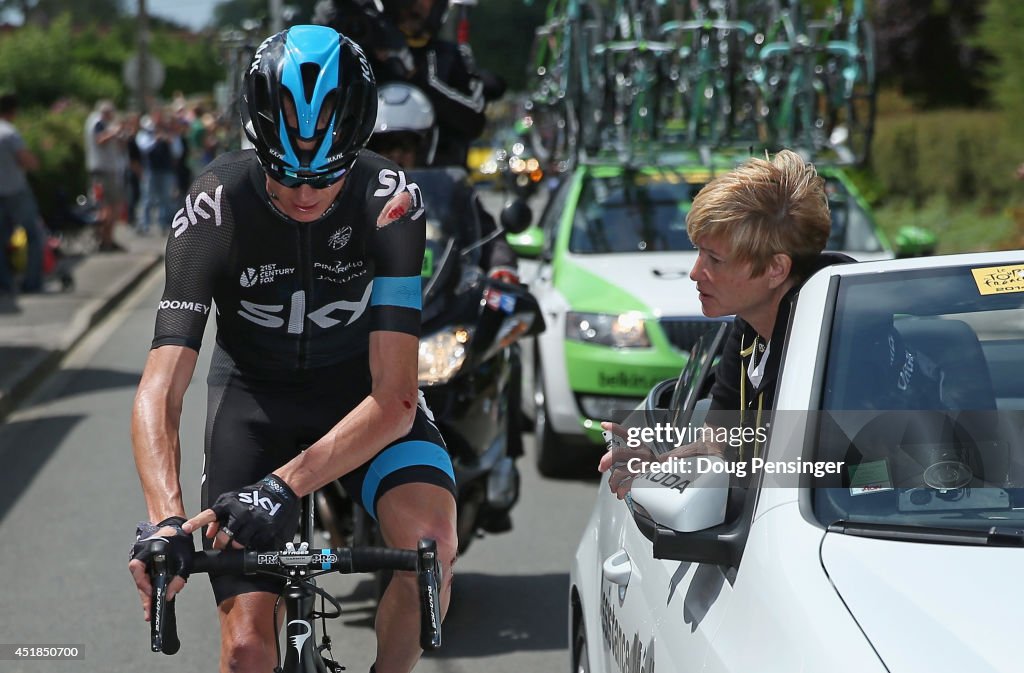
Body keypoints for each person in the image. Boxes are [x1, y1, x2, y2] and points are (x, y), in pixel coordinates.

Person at [126, 25, 457, 673]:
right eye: (284, 173)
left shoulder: (389, 201)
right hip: (254, 403)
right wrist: (165, 520)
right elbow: (160, 388)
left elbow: (394, 397)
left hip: (361, 402)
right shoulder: (215, 204)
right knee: (248, 648)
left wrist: (283, 487)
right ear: (256, 146)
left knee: (430, 551)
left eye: (326, 175)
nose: (306, 194)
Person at [598, 150, 849, 497]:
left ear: (776, 269)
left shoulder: (840, 351)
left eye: (714, 259)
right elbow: (718, 445)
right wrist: (661, 461)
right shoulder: (749, 327)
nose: (695, 273)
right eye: (699, 252)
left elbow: (835, 476)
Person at [316, 0, 500, 168]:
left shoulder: (450, 56)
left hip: (438, 187)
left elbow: (475, 120)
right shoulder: (361, 54)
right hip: (367, 183)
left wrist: (416, 76)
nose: (413, 6)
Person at [366, 81, 518, 279]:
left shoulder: (448, 190)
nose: (395, 154)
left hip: (440, 300)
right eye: (384, 144)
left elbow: (487, 237)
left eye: (405, 144)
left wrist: (502, 266)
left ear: (423, 147)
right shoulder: (352, 192)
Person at [0, 91, 44, 295]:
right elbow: (27, 160)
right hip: (16, 191)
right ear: (13, 111)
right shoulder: (9, 133)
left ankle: (5, 283)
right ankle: (32, 282)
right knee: (34, 236)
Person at [83, 99, 128, 251]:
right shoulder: (98, 123)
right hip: (104, 171)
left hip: (103, 170)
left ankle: (107, 239)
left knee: (107, 207)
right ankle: (105, 239)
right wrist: (114, 132)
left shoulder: (96, 122)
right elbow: (100, 140)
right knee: (110, 207)